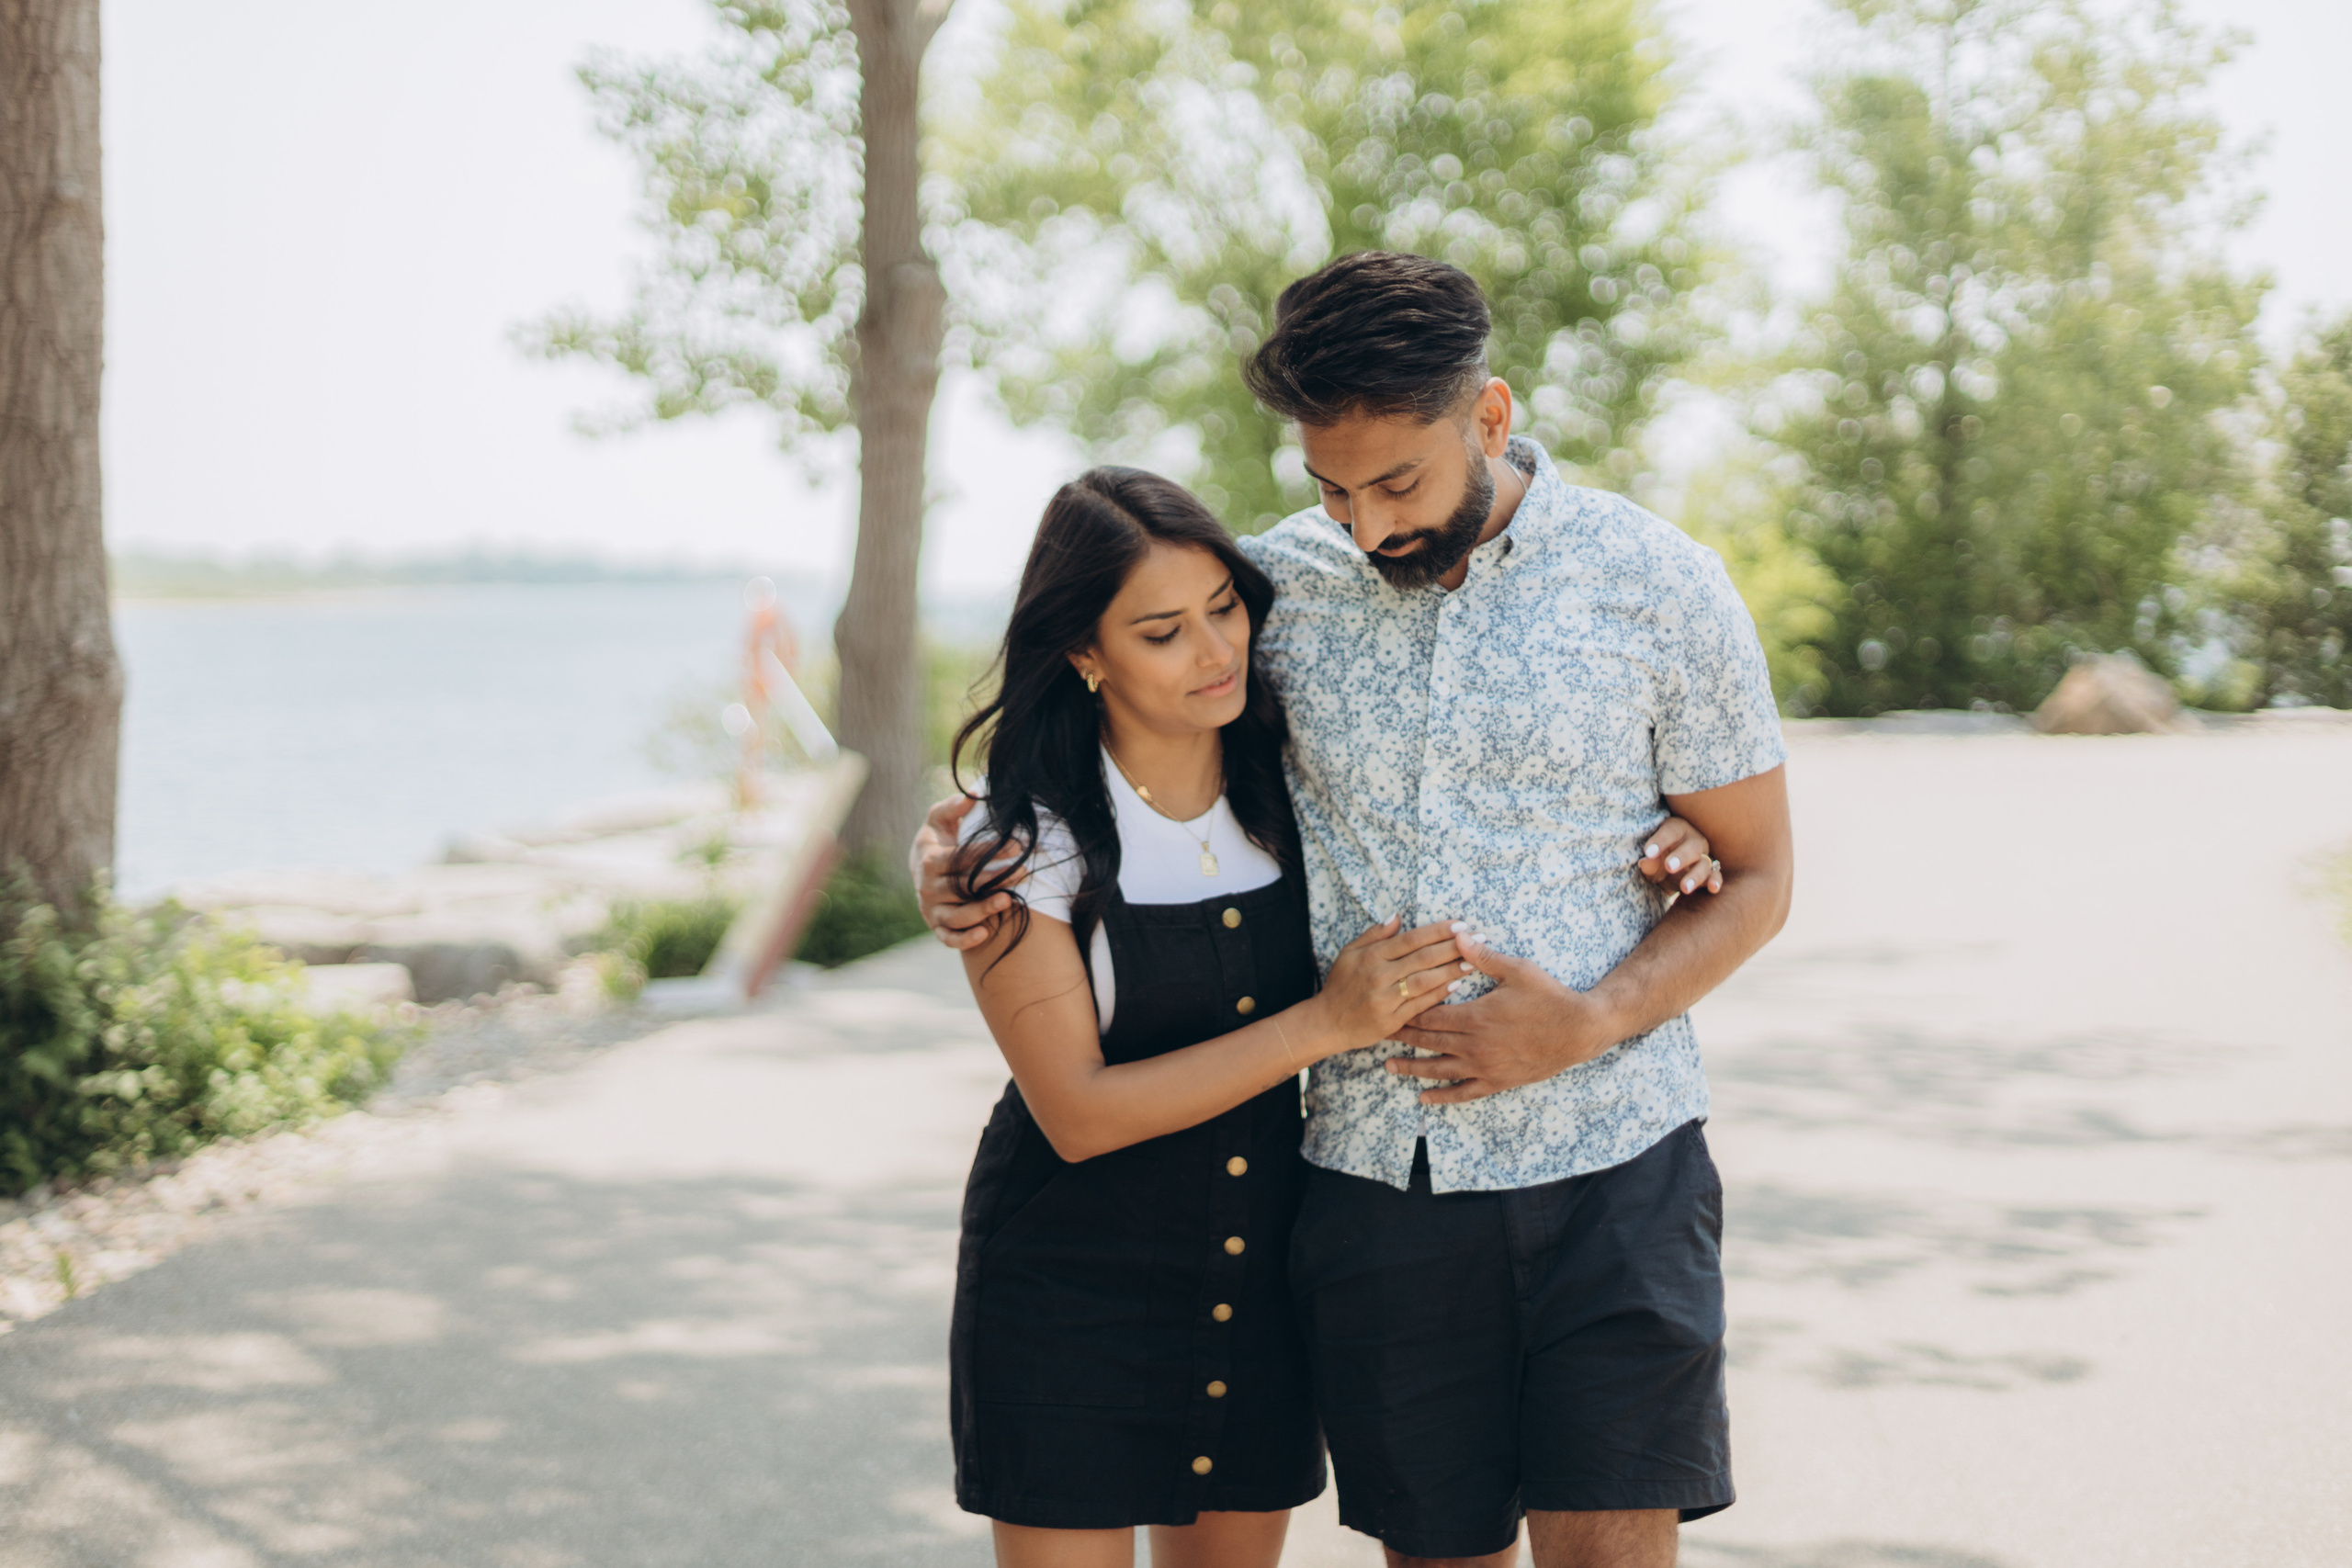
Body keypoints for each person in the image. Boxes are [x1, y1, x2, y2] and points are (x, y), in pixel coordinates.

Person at [921, 252, 1793, 1568]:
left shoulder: (1663, 586)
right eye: (1332, 488)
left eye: (1399, 483)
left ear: (1488, 419)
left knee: (1614, 1549)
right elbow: (1125, 702)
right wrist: (962, 842)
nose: (1369, 526)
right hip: (1380, 1184)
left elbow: (1764, 873)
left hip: (1619, 1156)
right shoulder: (1269, 597)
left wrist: (1595, 1016)